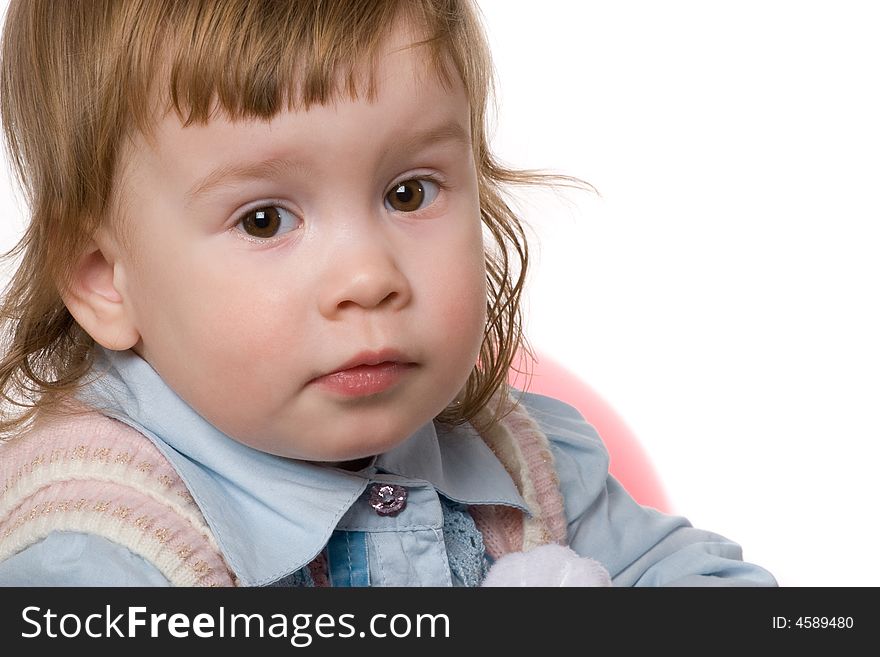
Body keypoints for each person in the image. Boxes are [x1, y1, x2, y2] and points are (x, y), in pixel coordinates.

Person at [0, 0, 775, 587]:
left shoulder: (520, 456)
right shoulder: (94, 549)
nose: (369, 277)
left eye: (408, 193)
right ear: (105, 279)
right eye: (265, 219)